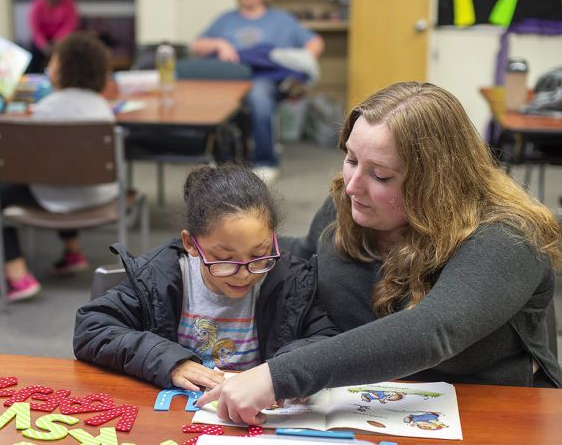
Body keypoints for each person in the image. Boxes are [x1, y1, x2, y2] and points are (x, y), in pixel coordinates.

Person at [198, 81, 562, 424]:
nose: (353, 186)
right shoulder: (347, 204)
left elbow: (431, 330)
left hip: (487, 414)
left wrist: (278, 377)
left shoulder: (509, 236)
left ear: (435, 181)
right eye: (352, 159)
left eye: (381, 175)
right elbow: (304, 273)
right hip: (362, 406)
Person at [73, 164, 338, 391]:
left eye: (259, 254)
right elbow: (92, 328)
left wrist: (283, 372)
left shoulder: (289, 281)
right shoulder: (158, 277)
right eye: (225, 260)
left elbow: (328, 341)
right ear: (190, 243)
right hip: (178, 414)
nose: (244, 273)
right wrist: (168, 361)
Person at [0, 31, 117, 302]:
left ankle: (17, 276)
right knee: (65, 172)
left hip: (58, 196)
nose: (48, 66)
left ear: (63, 68)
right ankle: (72, 251)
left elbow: (23, 165)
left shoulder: (46, 109)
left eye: (53, 61)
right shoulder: (103, 108)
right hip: (100, 193)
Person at [190, 0, 324, 181]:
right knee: (216, 100)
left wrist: (298, 62)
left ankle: (265, 161)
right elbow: (197, 46)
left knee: (259, 96)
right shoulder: (226, 19)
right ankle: (221, 160)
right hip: (232, 77)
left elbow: (315, 43)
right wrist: (220, 44)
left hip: (265, 78)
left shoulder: (281, 19)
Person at [28, 0, 79, 73]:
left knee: (70, 51)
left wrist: (57, 41)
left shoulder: (69, 3)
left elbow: (70, 25)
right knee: (33, 55)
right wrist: (43, 45)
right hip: (42, 40)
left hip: (62, 39)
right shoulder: (38, 4)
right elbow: (35, 29)